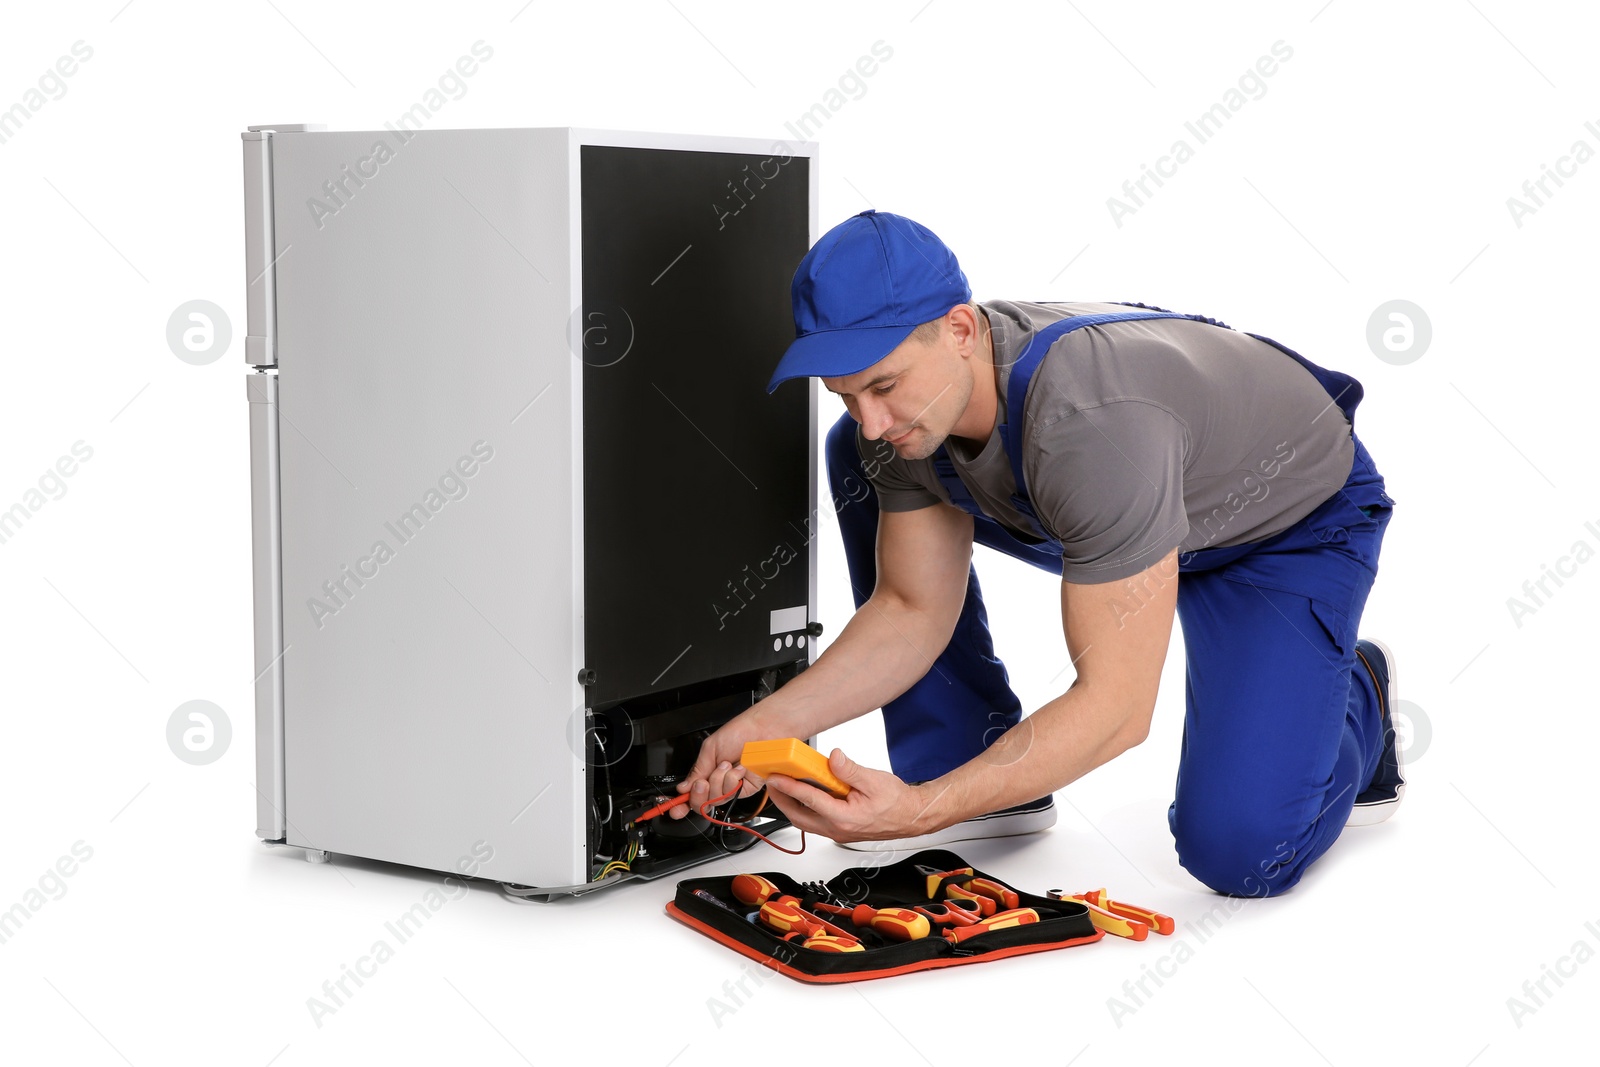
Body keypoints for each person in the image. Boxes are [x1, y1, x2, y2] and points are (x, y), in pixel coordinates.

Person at [671, 209, 1402, 897]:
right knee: (860, 455)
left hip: (1284, 524)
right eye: (845, 391)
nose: (871, 416)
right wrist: (769, 723)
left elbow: (1116, 708)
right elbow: (909, 607)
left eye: (884, 385)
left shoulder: (1093, 426)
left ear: (960, 328)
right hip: (1126, 505)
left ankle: (1358, 687)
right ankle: (966, 760)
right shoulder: (909, 413)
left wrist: (919, 812)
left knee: (1243, 852)